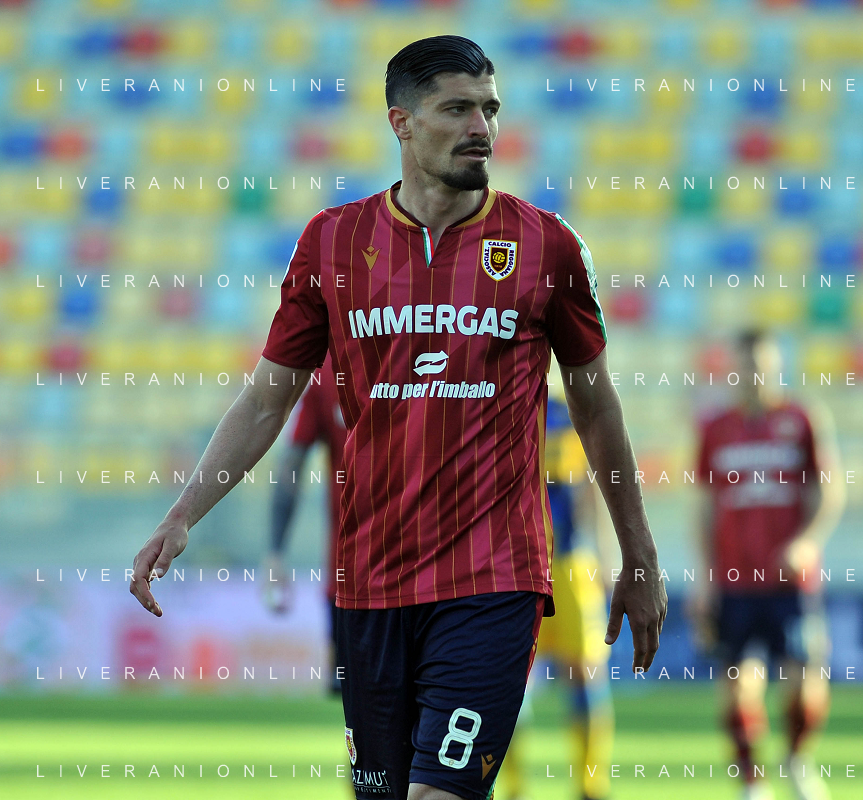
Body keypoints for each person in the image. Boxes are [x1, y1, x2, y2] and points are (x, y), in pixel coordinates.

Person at [130, 35, 667, 800]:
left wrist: (638, 555)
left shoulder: (546, 246)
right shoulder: (331, 243)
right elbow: (268, 396)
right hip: (371, 582)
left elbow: (595, 404)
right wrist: (183, 513)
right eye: (457, 109)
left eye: (489, 109)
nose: (481, 127)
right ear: (401, 122)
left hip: (493, 578)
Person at [689, 328, 845, 800]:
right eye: (745, 366)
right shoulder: (714, 428)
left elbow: (829, 491)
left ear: (777, 367)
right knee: (738, 685)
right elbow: (704, 506)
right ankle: (752, 782)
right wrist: (704, 577)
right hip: (734, 581)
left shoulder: (802, 419)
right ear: (732, 370)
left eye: (761, 366)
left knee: (805, 682)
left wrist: (807, 542)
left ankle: (796, 758)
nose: (753, 375)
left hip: (790, 583)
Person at [498, 364, 617, 800]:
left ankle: (590, 787)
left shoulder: (571, 413)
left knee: (585, 674)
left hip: (570, 564)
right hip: (513, 567)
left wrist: (606, 557)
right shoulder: (494, 410)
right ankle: (511, 787)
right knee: (509, 681)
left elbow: (592, 489)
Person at [263, 353, 347, 695]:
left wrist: (275, 552)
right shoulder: (326, 376)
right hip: (350, 577)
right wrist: (275, 552)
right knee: (361, 701)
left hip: (430, 573)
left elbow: (291, 465)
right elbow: (292, 464)